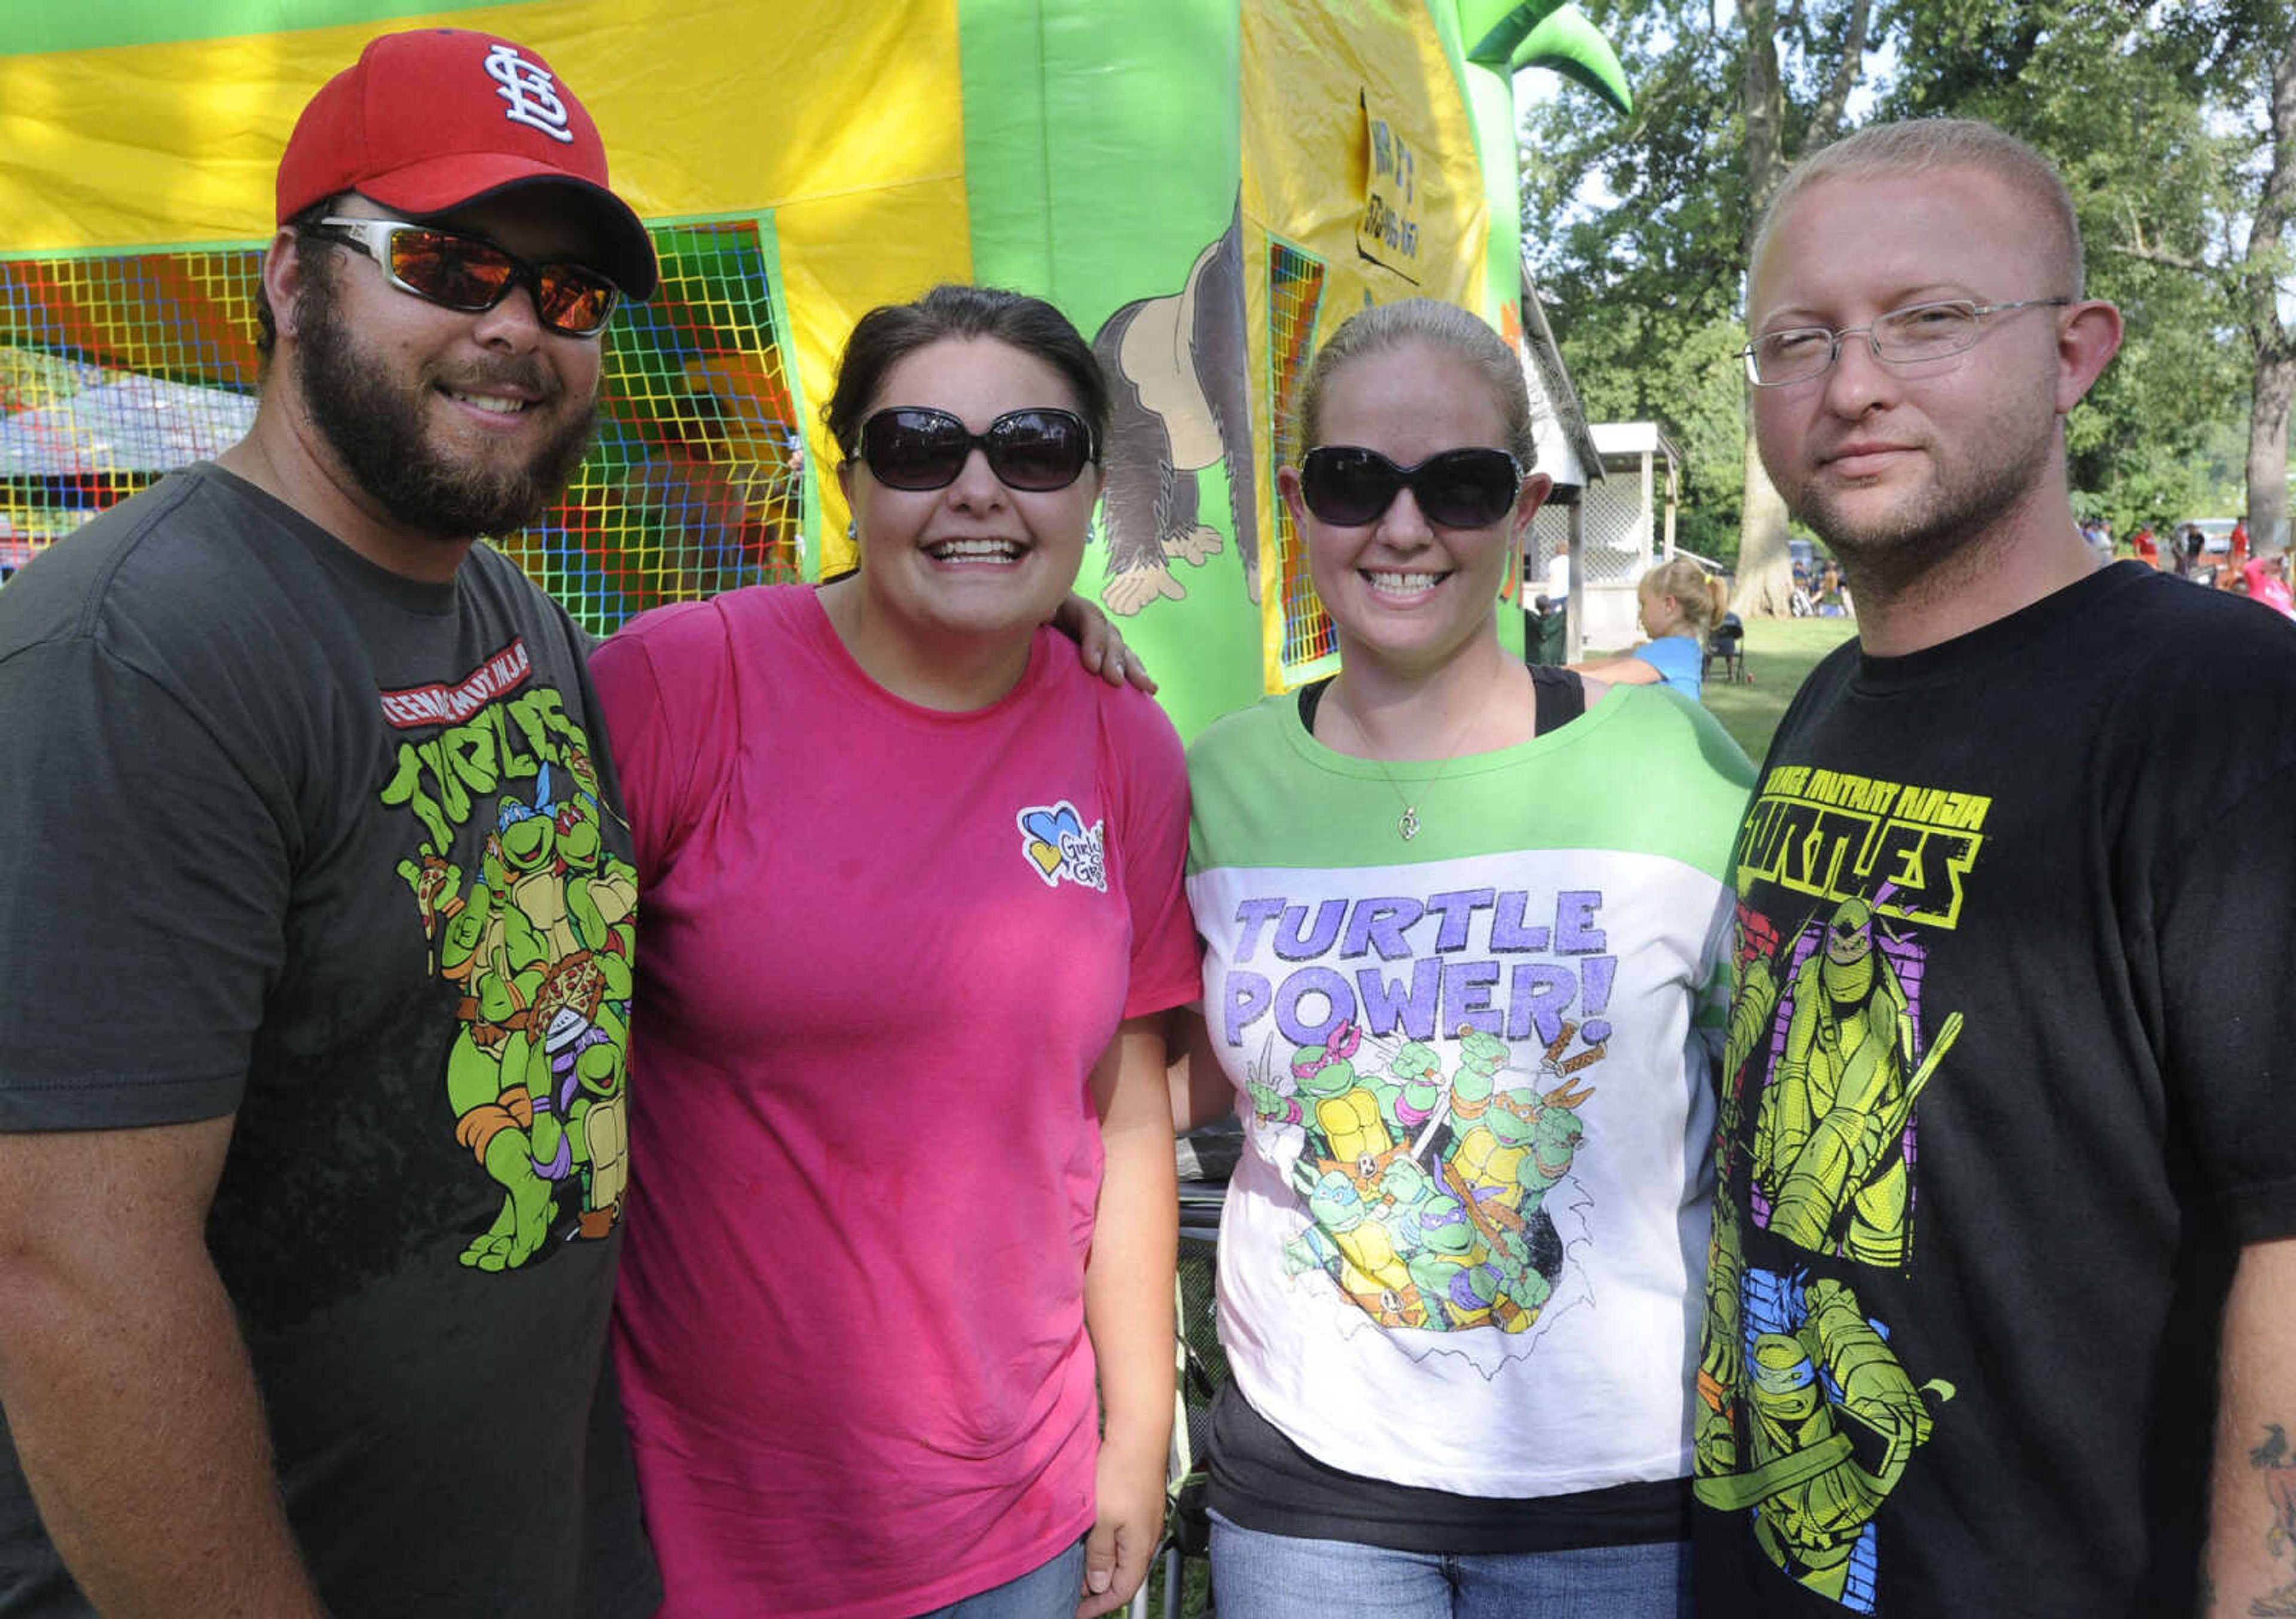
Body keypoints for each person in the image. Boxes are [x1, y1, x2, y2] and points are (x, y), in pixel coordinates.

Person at [0, 28, 667, 1615]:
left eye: (566, 295)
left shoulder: (502, 597)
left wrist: (986, 626)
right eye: (445, 263)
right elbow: (69, 1277)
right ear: (291, 282)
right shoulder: (141, 657)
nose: (516, 328)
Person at [1699, 117, 2296, 1616]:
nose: (1852, 383)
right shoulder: (1834, 694)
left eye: (1928, 318)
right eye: (1798, 337)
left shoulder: (2218, 705)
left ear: (2074, 352)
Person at [595, 285, 1197, 1618]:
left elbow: (1129, 1112)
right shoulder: (681, 689)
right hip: (698, 1524)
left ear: (1093, 489)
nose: (980, 491)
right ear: (849, 476)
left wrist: (1138, 1436)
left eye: (1034, 451)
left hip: (1017, 1527)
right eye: (924, 448)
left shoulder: (1123, 742)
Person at [1176, 297, 1754, 1615]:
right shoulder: (1217, 784)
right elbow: (1158, 1076)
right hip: (1312, 1493)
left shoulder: (1667, 767)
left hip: (1616, 1498)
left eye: (1460, 484)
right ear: (1296, 503)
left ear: (1525, 506)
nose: (1402, 526)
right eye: (1352, 480)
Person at [1570, 552, 1731, 698]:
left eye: (1644, 604)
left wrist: (1552, 680)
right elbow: (1613, 663)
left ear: (1669, 605)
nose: (1640, 615)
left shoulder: (1670, 651)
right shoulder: (1686, 649)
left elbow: (1600, 679)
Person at [2243, 551, 2296, 621]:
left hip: (2286, 623)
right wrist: (2267, 560)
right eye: (2275, 562)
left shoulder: (2284, 587)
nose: (2276, 566)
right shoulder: (2258, 582)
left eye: (2278, 563)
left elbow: (2290, 607)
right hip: (2266, 620)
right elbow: (2248, 568)